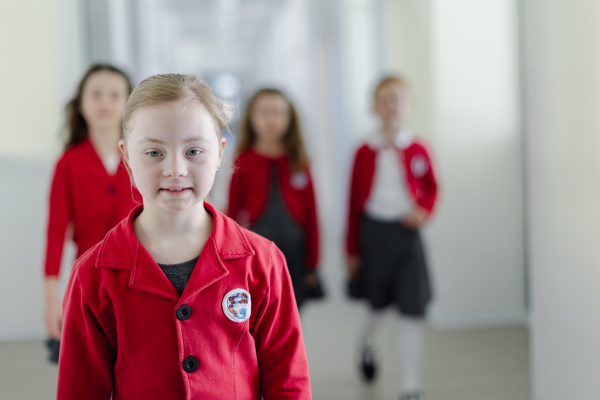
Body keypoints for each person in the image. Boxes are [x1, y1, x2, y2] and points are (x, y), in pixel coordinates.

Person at [57, 74, 311, 399]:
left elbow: (288, 384)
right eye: (153, 153)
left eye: (193, 151)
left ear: (219, 152)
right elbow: (79, 391)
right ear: (126, 156)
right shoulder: (92, 275)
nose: (175, 169)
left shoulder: (262, 262)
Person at [345, 76, 438, 400]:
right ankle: (365, 343)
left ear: (408, 105)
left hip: (406, 234)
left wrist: (424, 210)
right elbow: (352, 203)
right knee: (377, 306)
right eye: (383, 99)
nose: (391, 106)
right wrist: (351, 250)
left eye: (397, 98)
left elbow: (432, 187)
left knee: (411, 309)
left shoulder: (418, 147)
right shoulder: (363, 151)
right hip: (373, 235)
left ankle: (411, 387)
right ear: (374, 107)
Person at [43, 64, 141, 360]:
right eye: (95, 94)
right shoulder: (68, 163)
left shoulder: (146, 156)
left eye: (115, 95)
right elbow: (56, 232)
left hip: (141, 275)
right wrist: (51, 300)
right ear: (81, 103)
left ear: (129, 102)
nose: (105, 103)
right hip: (87, 279)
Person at [227, 88, 322, 309]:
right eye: (264, 112)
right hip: (258, 249)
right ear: (251, 118)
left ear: (290, 119)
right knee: (260, 308)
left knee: (293, 311)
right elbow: (231, 211)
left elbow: (312, 214)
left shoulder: (299, 161)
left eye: (279, 113)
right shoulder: (244, 160)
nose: (272, 119)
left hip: (294, 250)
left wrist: (312, 262)